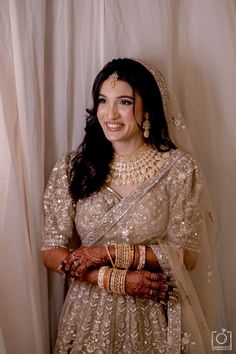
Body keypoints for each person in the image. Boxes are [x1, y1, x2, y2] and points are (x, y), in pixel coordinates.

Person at [42, 58, 214, 353]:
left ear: (147, 108)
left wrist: (107, 253)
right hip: (88, 313)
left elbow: (187, 256)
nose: (110, 114)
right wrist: (114, 278)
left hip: (154, 311)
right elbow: (51, 252)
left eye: (123, 101)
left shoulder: (179, 168)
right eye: (102, 101)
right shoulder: (74, 167)